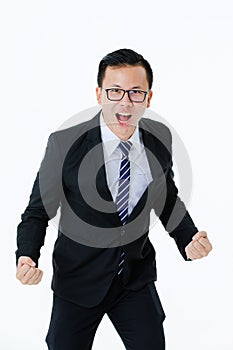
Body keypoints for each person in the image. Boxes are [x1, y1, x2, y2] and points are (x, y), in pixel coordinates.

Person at [16, 48, 212, 350]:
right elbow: (37, 211)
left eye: (135, 92)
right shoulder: (65, 143)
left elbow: (166, 198)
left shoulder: (160, 138)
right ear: (99, 94)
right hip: (78, 280)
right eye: (115, 91)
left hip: (134, 278)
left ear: (148, 98)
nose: (125, 101)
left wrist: (187, 238)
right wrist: (27, 255)